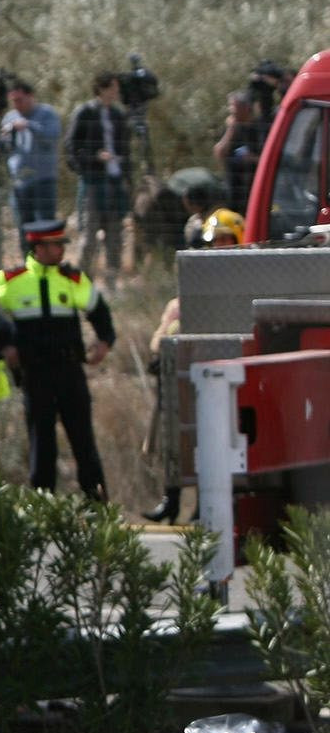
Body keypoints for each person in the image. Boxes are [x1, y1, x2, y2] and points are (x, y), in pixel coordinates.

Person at [0, 219, 115, 500]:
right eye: (55, 245)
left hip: (69, 371)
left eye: (62, 244)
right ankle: (42, 506)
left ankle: (97, 506)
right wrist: (4, 347)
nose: (61, 250)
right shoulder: (10, 281)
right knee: (42, 443)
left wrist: (104, 341)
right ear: (37, 246)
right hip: (35, 374)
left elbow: (99, 311)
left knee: (83, 440)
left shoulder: (72, 279)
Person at [144, 209, 244, 521]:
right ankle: (172, 501)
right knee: (180, 440)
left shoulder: (244, 288)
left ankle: (207, 506)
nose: (221, 247)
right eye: (216, 241)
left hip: (229, 377)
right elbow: (157, 341)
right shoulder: (182, 301)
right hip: (191, 379)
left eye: (228, 240)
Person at [67, 73, 131, 285]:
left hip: (114, 181)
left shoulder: (118, 115)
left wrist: (126, 177)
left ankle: (111, 282)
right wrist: (94, 158)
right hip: (93, 183)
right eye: (113, 88)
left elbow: (125, 149)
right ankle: (83, 281)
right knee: (89, 236)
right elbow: (72, 149)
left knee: (114, 235)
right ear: (101, 89)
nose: (116, 92)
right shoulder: (85, 113)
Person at [0, 80, 63, 227]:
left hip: (44, 179)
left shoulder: (47, 114)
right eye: (13, 101)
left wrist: (29, 125)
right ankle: (29, 252)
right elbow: (5, 148)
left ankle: (44, 251)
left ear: (31, 96)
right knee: (25, 228)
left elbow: (51, 137)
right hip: (20, 181)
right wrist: (7, 135)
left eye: (20, 100)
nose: (17, 105)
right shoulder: (10, 118)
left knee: (45, 226)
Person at [214, 89, 268, 218]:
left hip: (256, 191)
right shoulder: (231, 129)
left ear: (246, 107)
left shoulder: (261, 129)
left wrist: (252, 159)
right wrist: (231, 129)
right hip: (233, 193)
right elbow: (219, 153)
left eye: (233, 106)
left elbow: (271, 159)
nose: (230, 110)